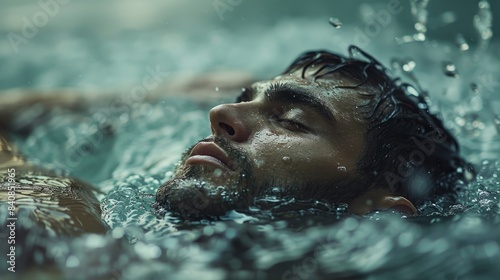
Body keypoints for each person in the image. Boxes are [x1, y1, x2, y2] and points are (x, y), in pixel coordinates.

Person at [1, 46, 473, 234]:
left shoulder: (74, 233)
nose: (219, 113)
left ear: (377, 214)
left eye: (291, 121)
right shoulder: (73, 215)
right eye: (243, 99)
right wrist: (127, 99)